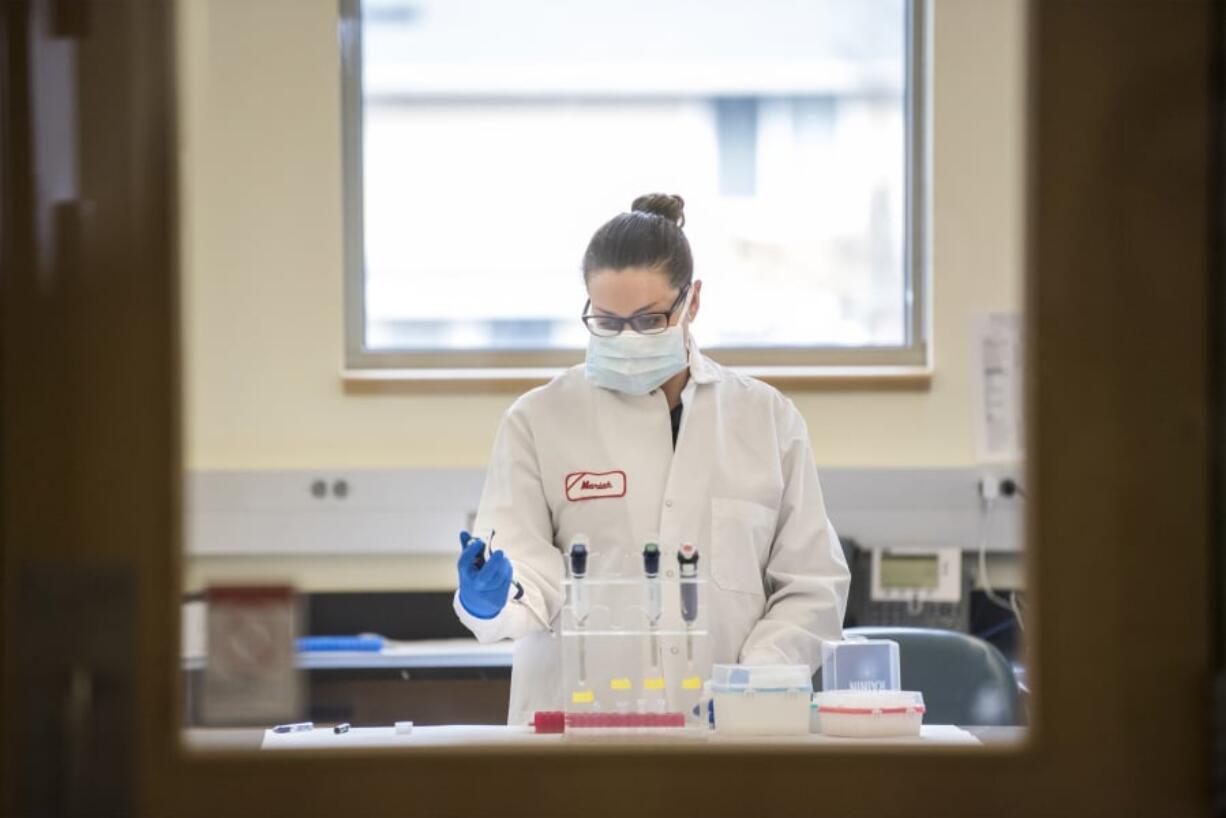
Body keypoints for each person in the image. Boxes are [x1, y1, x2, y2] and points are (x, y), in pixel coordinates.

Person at [454, 193, 850, 725]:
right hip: (576, 730)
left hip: (725, 728)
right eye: (608, 322)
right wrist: (496, 598)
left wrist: (756, 678)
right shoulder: (539, 419)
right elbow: (527, 574)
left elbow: (812, 586)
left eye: (648, 320)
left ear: (693, 302)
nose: (627, 339)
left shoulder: (766, 421)